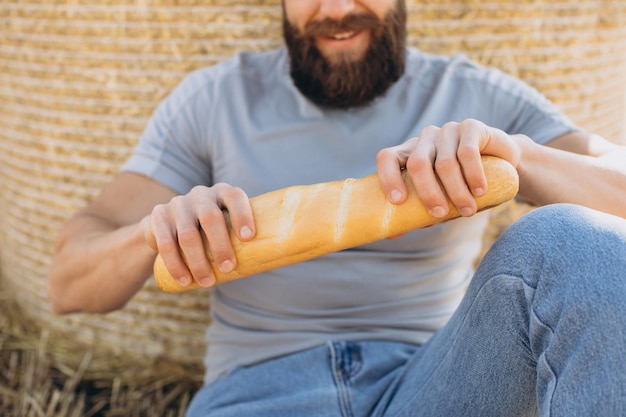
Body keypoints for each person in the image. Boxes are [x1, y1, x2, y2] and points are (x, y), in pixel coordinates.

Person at [47, 0, 626, 416]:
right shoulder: (214, 101)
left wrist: (520, 157)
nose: (338, 8)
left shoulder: (476, 96)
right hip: (256, 394)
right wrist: (151, 235)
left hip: (437, 381)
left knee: (573, 239)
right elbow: (67, 283)